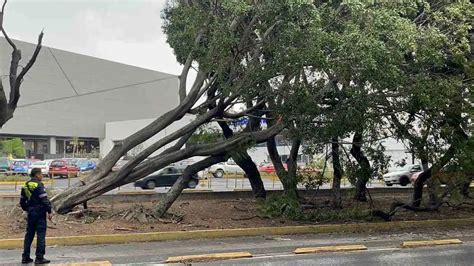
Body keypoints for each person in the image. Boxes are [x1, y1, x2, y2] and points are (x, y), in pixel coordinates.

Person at [20, 168, 52, 264]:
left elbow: (22, 201)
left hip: (31, 213)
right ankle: (39, 257)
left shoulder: (26, 185)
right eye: (41, 174)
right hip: (40, 213)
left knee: (29, 235)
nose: (42, 175)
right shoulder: (39, 185)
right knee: (41, 235)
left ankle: (25, 257)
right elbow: (44, 200)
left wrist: (27, 209)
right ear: (37, 175)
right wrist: (49, 211)